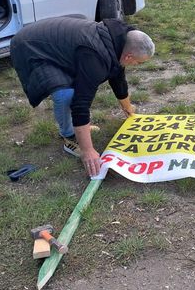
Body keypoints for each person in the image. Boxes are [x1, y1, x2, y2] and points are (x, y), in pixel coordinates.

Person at [11, 16, 155, 177]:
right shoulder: (95, 57)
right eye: (138, 62)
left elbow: (117, 76)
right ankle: (69, 136)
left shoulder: (118, 41)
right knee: (66, 94)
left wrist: (128, 108)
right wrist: (88, 150)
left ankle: (76, 129)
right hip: (31, 47)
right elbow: (81, 103)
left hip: (56, 42)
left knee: (74, 86)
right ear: (128, 56)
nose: (136, 66)